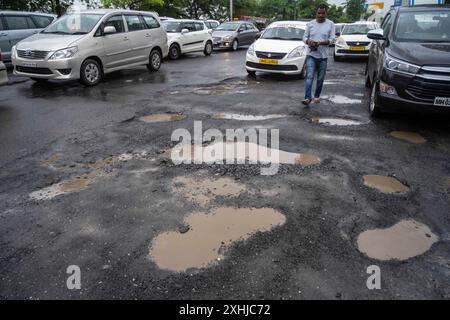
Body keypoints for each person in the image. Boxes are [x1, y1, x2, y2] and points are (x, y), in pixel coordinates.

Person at [302, 4, 335, 106]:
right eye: (319, 13)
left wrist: (321, 43)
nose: (320, 15)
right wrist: (309, 41)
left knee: (320, 78)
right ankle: (307, 98)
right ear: (316, 13)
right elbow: (304, 37)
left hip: (323, 57)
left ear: (325, 13)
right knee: (310, 76)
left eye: (323, 13)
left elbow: (333, 39)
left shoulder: (330, 24)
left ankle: (316, 95)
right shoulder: (310, 24)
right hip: (311, 55)